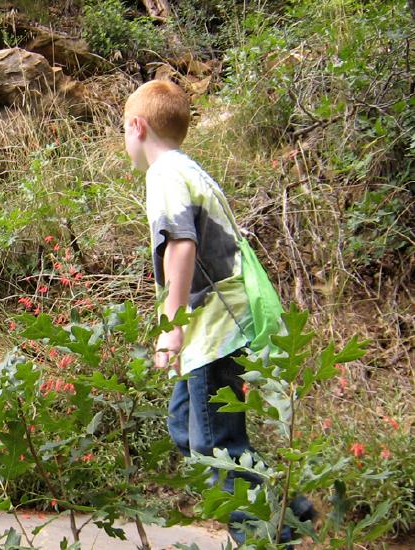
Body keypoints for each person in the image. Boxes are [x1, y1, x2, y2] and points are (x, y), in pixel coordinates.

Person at [123, 80, 313, 543]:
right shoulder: (191, 168)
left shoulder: (164, 173)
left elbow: (181, 247)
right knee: (186, 429)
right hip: (220, 326)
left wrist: (171, 328)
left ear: (137, 126)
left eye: (123, 130)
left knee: (215, 448)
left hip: (212, 331)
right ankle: (293, 508)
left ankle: (270, 533)